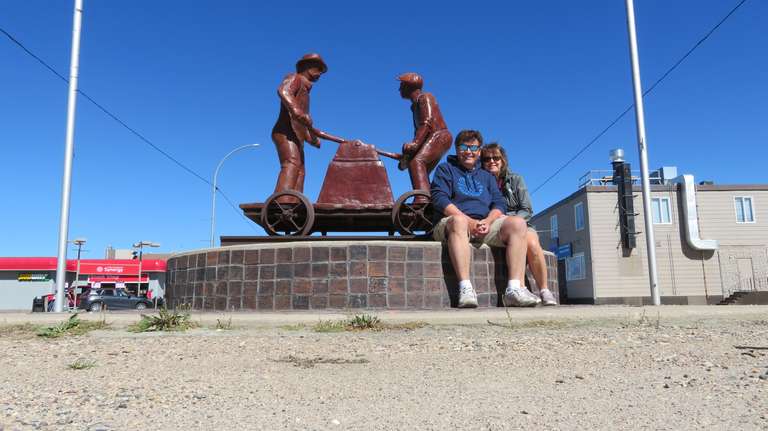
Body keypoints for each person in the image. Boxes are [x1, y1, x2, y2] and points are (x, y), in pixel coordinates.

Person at [431, 130, 540, 308]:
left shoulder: (486, 176)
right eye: (464, 147)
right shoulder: (445, 169)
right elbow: (439, 199)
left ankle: (513, 290)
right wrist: (469, 221)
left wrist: (488, 221)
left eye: (473, 147)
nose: (469, 151)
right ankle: (465, 289)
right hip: (452, 224)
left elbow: (499, 203)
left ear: (479, 150)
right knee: (458, 221)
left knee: (518, 223)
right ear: (457, 149)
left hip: (483, 224)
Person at [481, 142, 557, 306]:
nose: (492, 161)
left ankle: (544, 289)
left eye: (496, 158)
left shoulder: (515, 180)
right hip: (495, 225)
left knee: (532, 243)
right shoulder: (480, 181)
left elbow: (527, 209)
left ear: (503, 160)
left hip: (519, 221)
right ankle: (519, 289)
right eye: (487, 159)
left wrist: (509, 218)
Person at [271, 53, 328, 199]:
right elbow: (283, 91)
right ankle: (281, 201)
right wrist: (297, 111)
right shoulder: (294, 78)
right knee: (292, 163)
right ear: (308, 66)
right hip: (285, 132)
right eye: (318, 69)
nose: (320, 74)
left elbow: (302, 125)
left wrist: (312, 139)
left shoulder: (306, 92)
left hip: (295, 136)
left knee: (301, 170)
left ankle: (295, 202)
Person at [397, 73, 452, 201]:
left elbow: (426, 123)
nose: (399, 89)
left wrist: (415, 144)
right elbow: (419, 130)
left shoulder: (425, 98)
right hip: (434, 136)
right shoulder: (414, 105)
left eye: (401, 85)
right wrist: (408, 154)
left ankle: (422, 200)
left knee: (417, 162)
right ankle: (434, 198)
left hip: (440, 135)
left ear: (408, 86)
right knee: (420, 170)